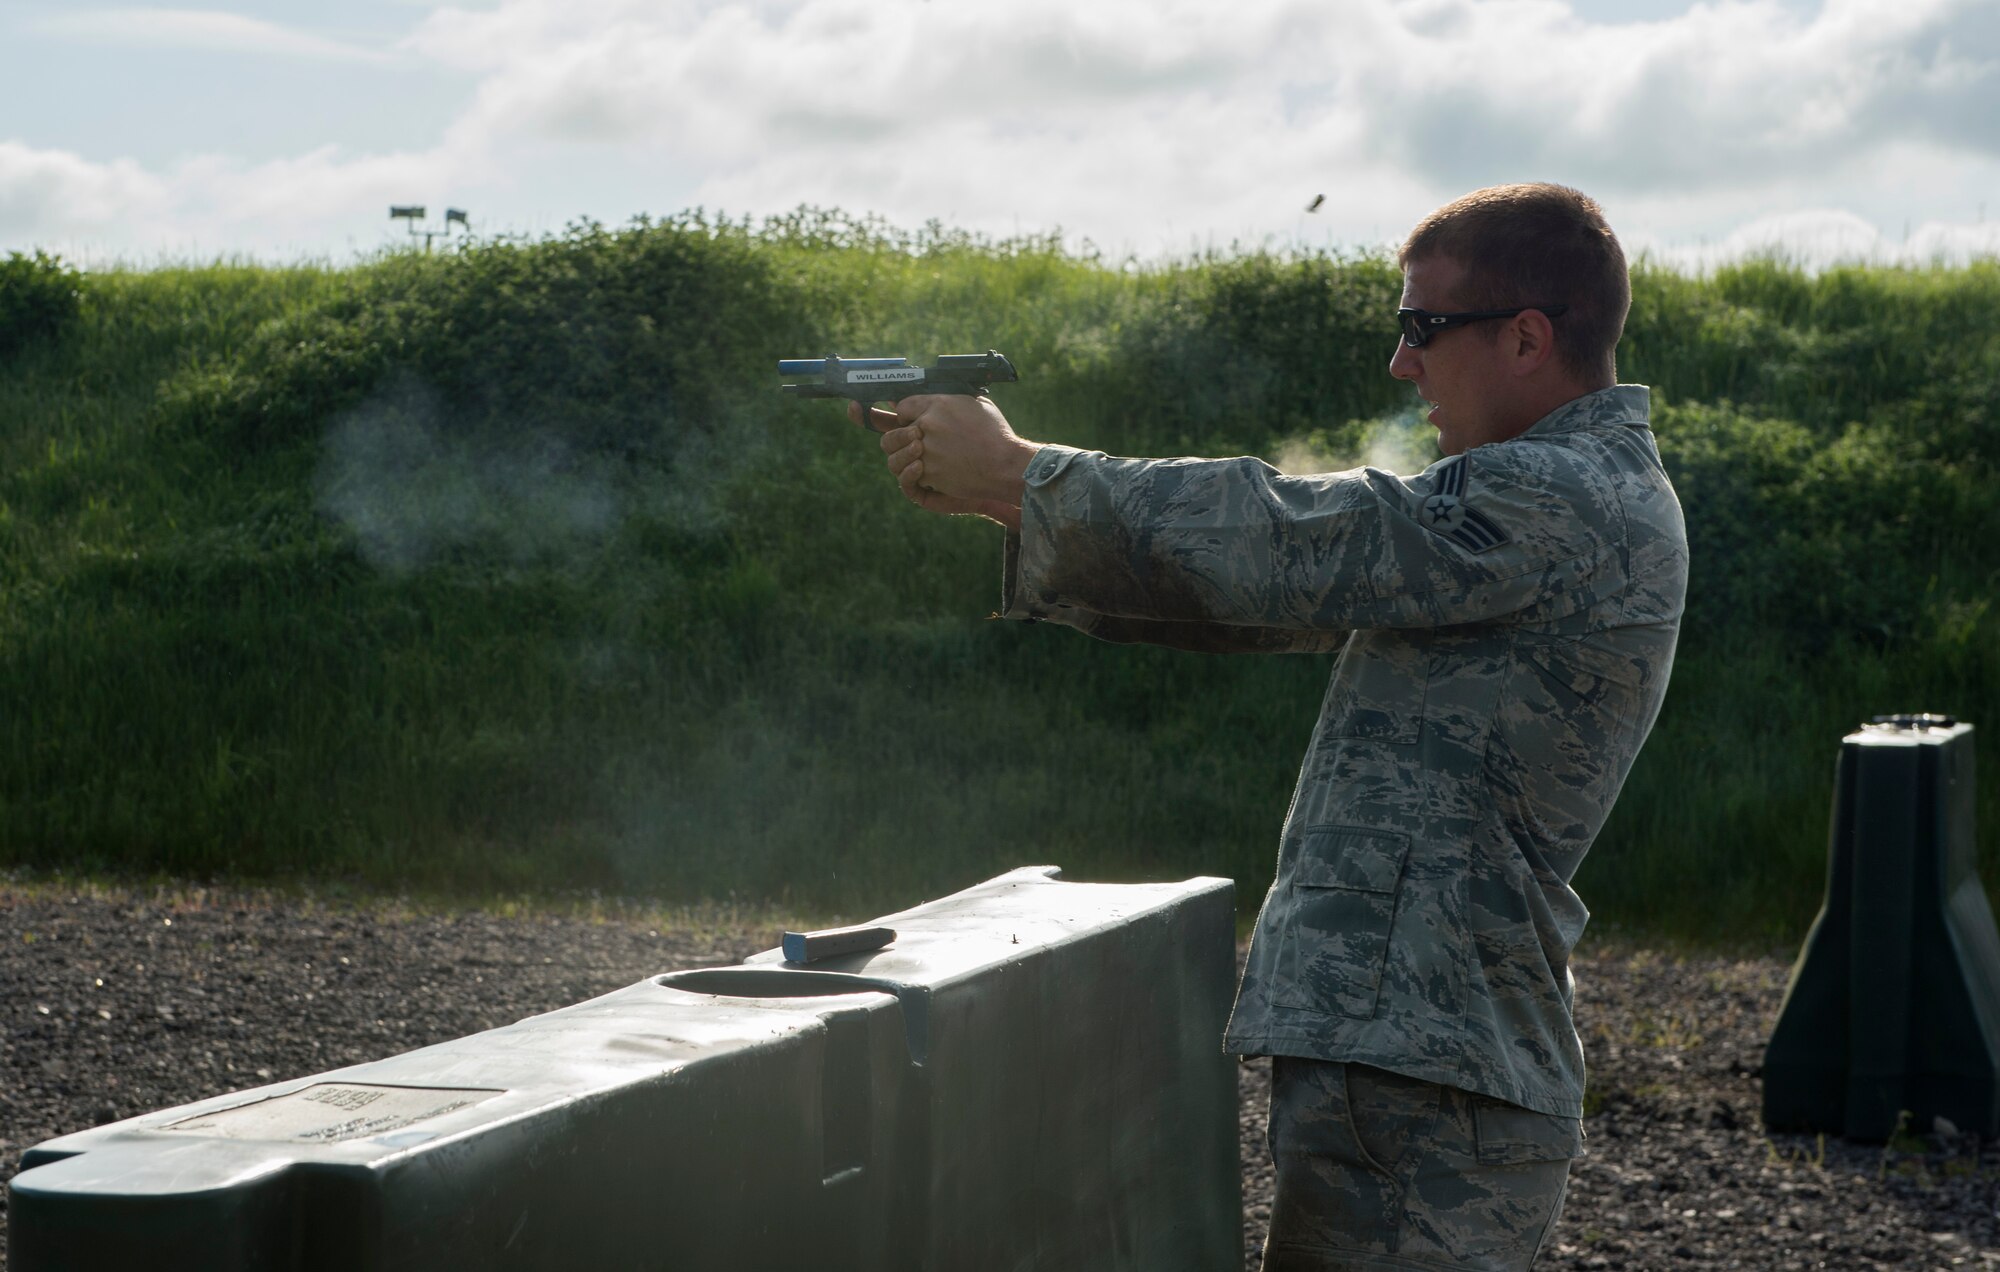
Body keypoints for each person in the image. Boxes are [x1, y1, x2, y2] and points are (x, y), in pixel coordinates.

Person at [855, 182, 1687, 1271]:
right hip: (1424, 1056)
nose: (1401, 364)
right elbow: (1272, 592)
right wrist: (1013, 502)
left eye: (1421, 329)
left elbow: (1303, 535)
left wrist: (1023, 476)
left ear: (1527, 336)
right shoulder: (1544, 500)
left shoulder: (1563, 495)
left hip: (1434, 1068)